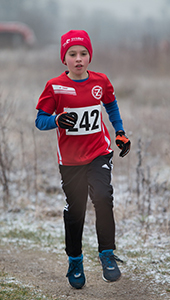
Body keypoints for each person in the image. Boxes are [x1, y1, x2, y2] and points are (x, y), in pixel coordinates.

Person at [35, 29, 131, 289]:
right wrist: (55, 119)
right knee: (76, 211)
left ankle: (107, 255)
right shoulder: (54, 86)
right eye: (72, 54)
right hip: (70, 161)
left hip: (99, 152)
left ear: (90, 56)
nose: (79, 58)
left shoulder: (101, 82)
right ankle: (75, 259)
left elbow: (111, 104)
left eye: (84, 53)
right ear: (64, 59)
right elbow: (39, 121)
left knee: (102, 197)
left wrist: (119, 131)